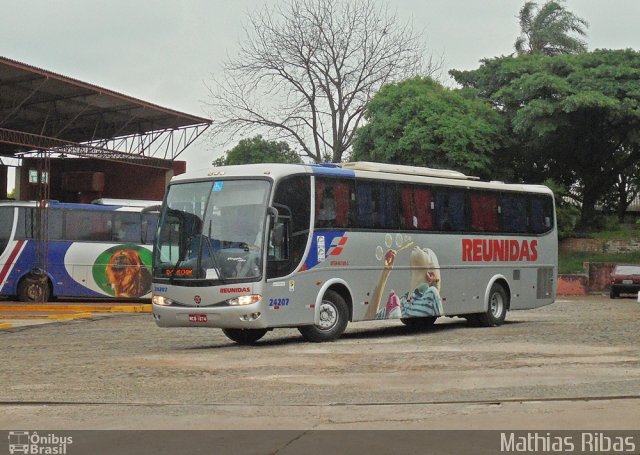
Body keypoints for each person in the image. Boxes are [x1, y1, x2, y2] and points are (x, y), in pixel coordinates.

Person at [365, 246, 443, 320]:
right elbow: (370, 319)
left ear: (430, 275)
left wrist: (395, 314)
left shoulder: (431, 293)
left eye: (425, 252)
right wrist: (386, 272)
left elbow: (439, 326)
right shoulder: (401, 302)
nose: (418, 247)